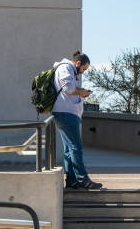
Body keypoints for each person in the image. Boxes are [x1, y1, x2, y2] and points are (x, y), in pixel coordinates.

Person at [51, 51, 102, 190]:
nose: (83, 72)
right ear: (78, 63)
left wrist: (80, 92)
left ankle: (72, 180)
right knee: (76, 147)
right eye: (84, 69)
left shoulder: (69, 69)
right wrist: (81, 91)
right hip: (66, 113)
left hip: (67, 112)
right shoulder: (66, 68)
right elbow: (68, 89)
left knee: (69, 149)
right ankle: (82, 179)